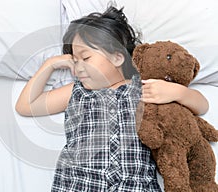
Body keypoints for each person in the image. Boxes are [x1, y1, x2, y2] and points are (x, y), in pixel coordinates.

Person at [16, 6, 209, 192]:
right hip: (80, 184)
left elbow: (201, 105)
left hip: (135, 185)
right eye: (74, 60)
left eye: (86, 57)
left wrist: (177, 92)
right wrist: (49, 65)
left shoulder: (142, 87)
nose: (78, 66)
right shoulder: (76, 92)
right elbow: (26, 105)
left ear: (118, 58)